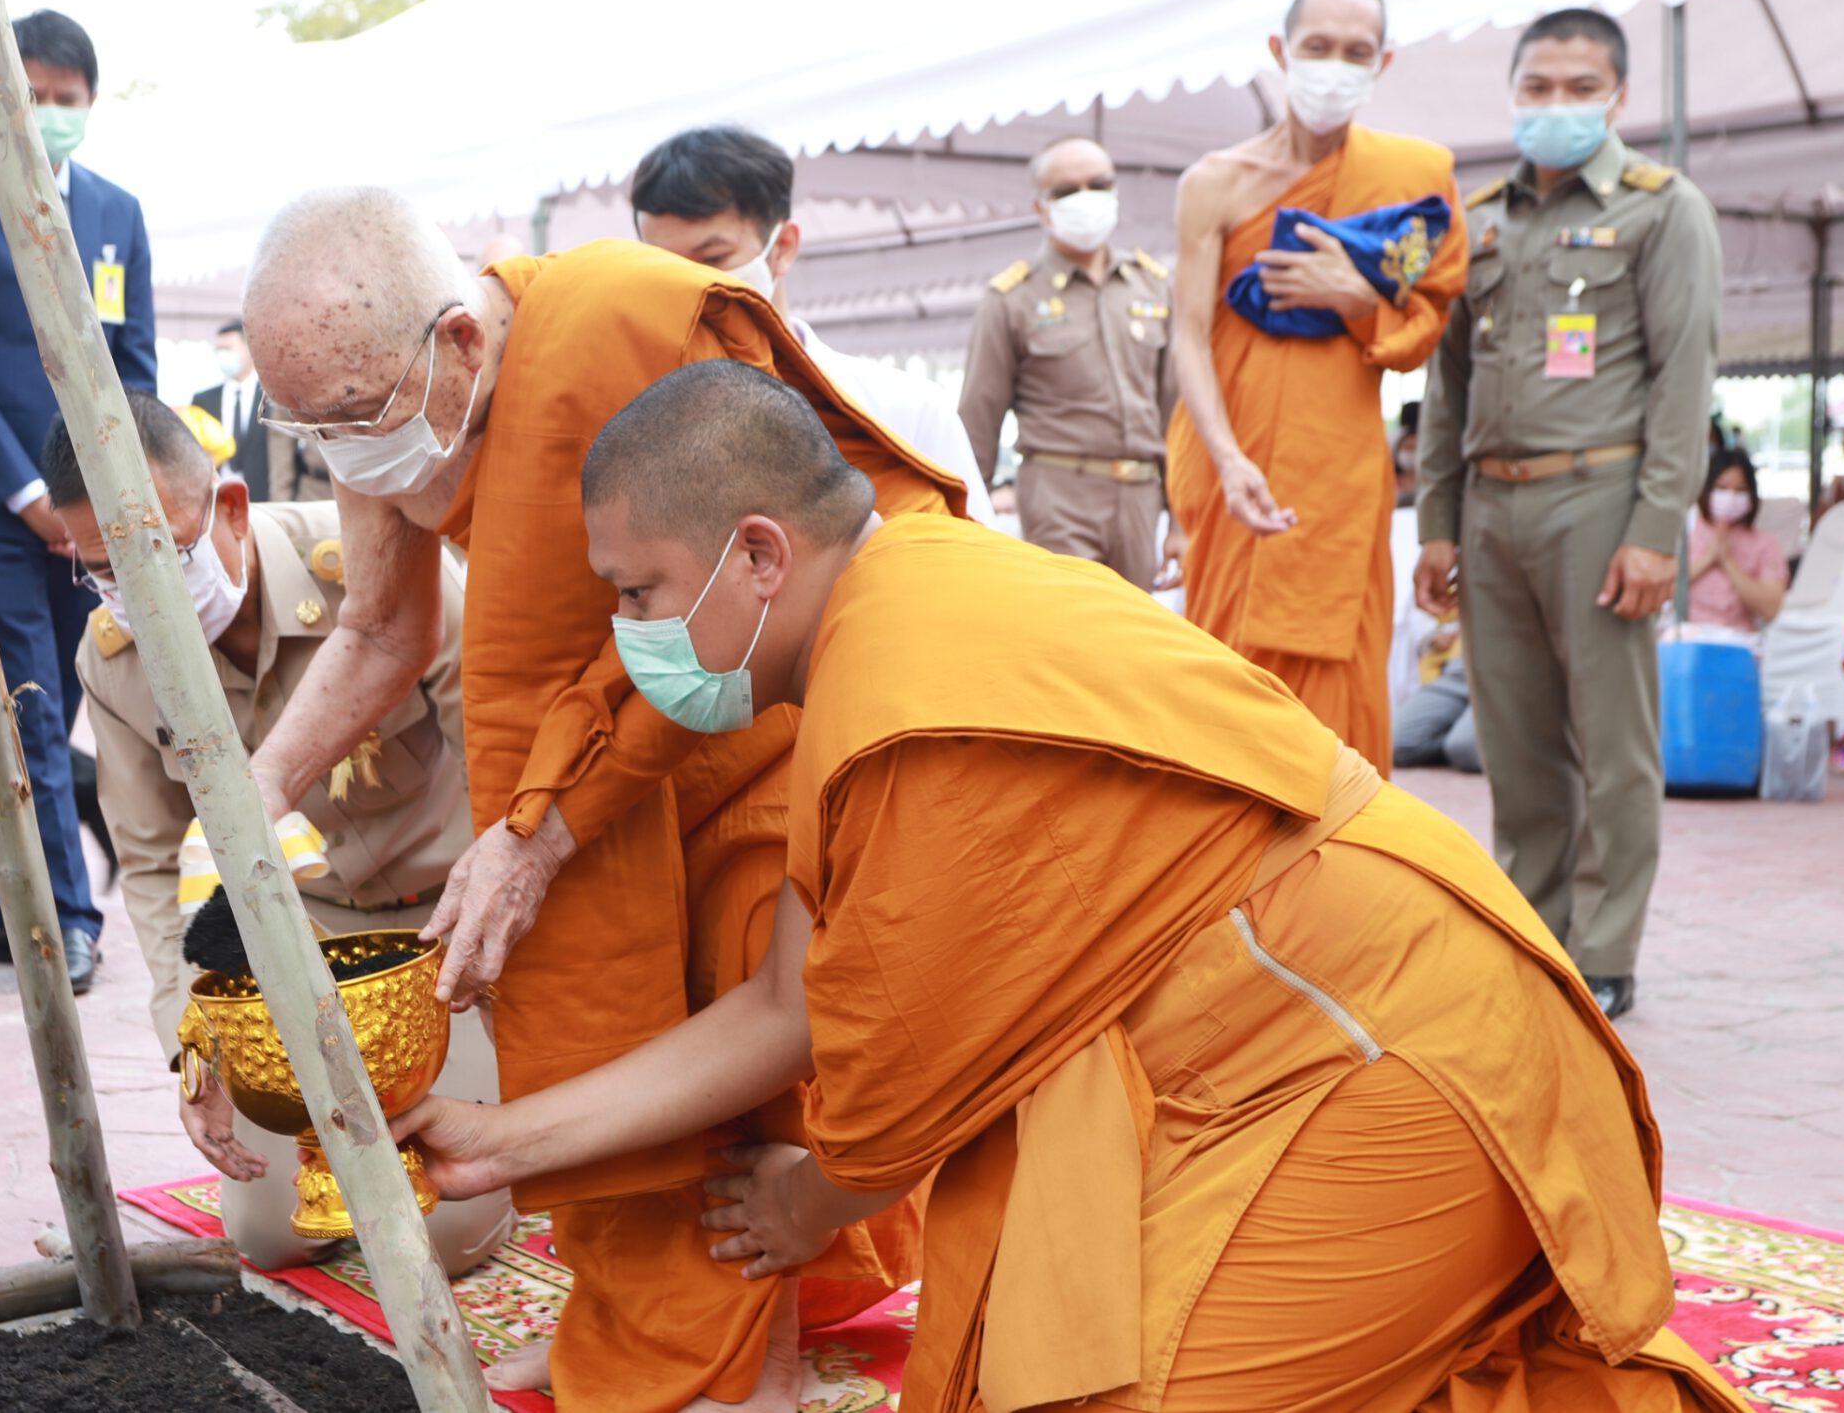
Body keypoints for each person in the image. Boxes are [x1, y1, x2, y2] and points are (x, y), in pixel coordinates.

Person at [401, 358, 1751, 1413]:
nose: (629, 637)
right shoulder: (899, 608)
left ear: (758, 555)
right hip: (1275, 1041)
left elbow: (882, 1096)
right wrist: (503, 1143)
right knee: (1032, 1339)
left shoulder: (901, 692)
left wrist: (805, 1203)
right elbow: (785, 1005)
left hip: (1387, 1053)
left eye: (639, 592)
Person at [227, 186, 962, 1409]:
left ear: (457, 339)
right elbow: (381, 626)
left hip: (742, 709)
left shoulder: (625, 320)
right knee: (585, 1006)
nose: (340, 448)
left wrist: (542, 829)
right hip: (571, 754)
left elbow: (752, 574)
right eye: (308, 427)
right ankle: (619, 1320)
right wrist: (258, 786)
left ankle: (749, 1359)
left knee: (737, 1019)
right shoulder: (385, 414)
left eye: (350, 414)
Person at [41, 389, 511, 1275]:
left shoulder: (375, 571)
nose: (139, 596)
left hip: (452, 936)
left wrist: (504, 978)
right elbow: (152, 867)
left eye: (160, 554)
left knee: (439, 1230)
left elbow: (507, 792)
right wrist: (197, 1043)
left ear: (229, 507)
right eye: (105, 571)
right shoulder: (113, 663)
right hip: (304, 943)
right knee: (277, 1228)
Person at [1415, 6, 1721, 1021]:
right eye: (1537, 87)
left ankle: (1605, 948)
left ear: (1618, 97)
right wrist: (1436, 521)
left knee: (1613, 740)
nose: (1556, 105)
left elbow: (1683, 380)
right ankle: (1534, 931)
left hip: (1599, 499)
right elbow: (1447, 386)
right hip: (1489, 503)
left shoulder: (1662, 209)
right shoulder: (1479, 219)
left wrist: (1655, 532)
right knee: (1514, 741)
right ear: (1511, 93)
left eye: (1580, 88)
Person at [0, 8, 158, 989]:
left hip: (93, 518)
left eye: (67, 97)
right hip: (1, 509)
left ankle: (7, 896)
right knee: (32, 704)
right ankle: (67, 914)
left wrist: (110, 504)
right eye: (33, 94)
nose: (50, 111)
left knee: (59, 711)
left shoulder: (116, 211)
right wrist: (29, 499)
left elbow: (134, 371)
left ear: (90, 103)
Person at [1166, 0, 1466, 771]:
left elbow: (1425, 329)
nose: (1335, 66)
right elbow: (1188, 334)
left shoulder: (1413, 177)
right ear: (1281, 51)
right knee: (1227, 683)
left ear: (1382, 62)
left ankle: (1337, 843)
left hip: (1338, 471)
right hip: (1234, 459)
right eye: (1318, 47)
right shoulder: (1214, 182)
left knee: (1339, 706)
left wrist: (1358, 300)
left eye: (1356, 52)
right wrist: (1228, 459)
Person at [628, 126, 998, 531]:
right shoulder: (635, 418)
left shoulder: (905, 410)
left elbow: (981, 553)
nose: (690, 283)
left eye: (713, 258)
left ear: (783, 247)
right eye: (665, 266)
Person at [958, 134, 1180, 586]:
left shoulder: (1153, 286)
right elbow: (978, 423)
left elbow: (1176, 415)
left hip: (1141, 497)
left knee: (1133, 624)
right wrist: (965, 526)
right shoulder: (1013, 298)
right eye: (1066, 191)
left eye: (1098, 184)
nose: (1086, 198)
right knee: (1073, 620)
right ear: (1041, 208)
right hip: (1059, 495)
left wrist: (1182, 522)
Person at [191, 318, 325, 503]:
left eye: (228, 349)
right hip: (216, 498)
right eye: (218, 350)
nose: (223, 355)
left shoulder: (274, 398)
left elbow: (282, 453)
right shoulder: (203, 400)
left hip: (261, 498)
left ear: (249, 349)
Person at [1686, 449, 1788, 633]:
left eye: (1740, 490)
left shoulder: (1765, 543)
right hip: (1688, 638)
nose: (1730, 496)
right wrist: (1708, 558)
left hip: (1740, 640)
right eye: (1721, 488)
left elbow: (1772, 608)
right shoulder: (1687, 530)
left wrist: (1729, 563)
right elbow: (1663, 588)